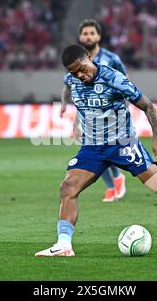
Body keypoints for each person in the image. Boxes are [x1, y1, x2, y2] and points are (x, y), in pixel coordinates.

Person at [35, 45, 157, 257]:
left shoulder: (114, 79)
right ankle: (64, 245)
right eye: (74, 72)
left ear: (89, 58)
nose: (80, 75)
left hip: (124, 144)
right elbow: (79, 100)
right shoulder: (73, 80)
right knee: (68, 188)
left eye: (82, 68)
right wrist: (77, 122)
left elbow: (148, 106)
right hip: (93, 147)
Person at [60, 19, 128, 203]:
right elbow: (68, 84)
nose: (88, 36)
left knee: (107, 150)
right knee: (93, 151)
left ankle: (117, 181)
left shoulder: (112, 59)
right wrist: (64, 103)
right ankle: (113, 185)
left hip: (112, 114)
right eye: (85, 33)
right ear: (80, 36)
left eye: (92, 33)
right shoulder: (75, 59)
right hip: (87, 113)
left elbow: (125, 82)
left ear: (98, 36)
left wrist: (125, 109)